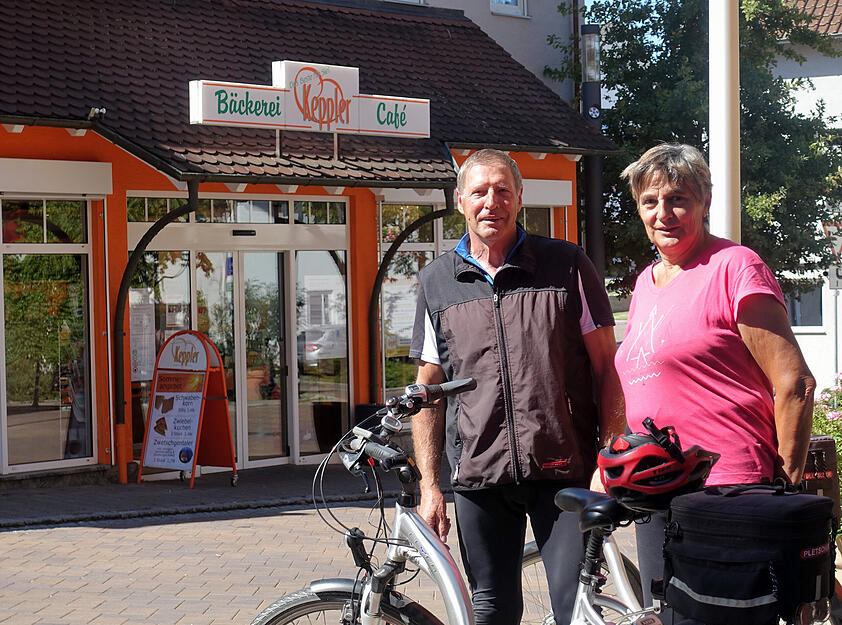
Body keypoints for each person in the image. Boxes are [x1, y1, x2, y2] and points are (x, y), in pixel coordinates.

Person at [408, 149, 625, 625]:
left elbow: (609, 367)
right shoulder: (436, 282)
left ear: (520, 198)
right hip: (480, 477)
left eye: (503, 190)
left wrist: (608, 458)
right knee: (490, 609)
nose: (493, 201)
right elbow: (428, 390)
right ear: (460, 200)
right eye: (480, 192)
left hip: (563, 469)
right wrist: (430, 485)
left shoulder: (566, 264)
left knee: (577, 609)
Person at [615, 143, 816, 611]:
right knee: (667, 614)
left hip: (728, 490)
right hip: (658, 488)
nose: (663, 213)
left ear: (704, 201)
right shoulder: (647, 281)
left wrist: (782, 486)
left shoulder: (735, 267)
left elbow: (796, 384)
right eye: (650, 201)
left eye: (678, 198)